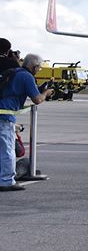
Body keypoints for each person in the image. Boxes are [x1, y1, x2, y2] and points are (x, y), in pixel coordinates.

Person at [1, 53, 53, 191]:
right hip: (4, 117)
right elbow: (37, 99)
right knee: (7, 150)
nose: (39, 70)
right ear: (34, 66)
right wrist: (46, 93)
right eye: (39, 68)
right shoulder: (26, 76)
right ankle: (6, 181)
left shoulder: (14, 72)